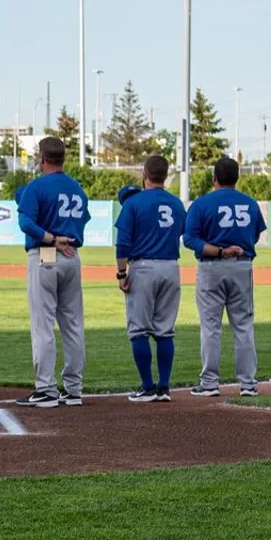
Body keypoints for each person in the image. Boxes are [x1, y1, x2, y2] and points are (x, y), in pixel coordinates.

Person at [13, 136, 87, 408]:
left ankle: (45, 389)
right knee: (73, 324)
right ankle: (74, 389)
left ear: (42, 158)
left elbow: (25, 223)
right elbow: (83, 221)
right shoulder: (77, 188)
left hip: (47, 251)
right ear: (63, 158)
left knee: (43, 324)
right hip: (72, 254)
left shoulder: (38, 186)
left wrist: (51, 238)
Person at [182, 155, 264, 397]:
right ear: (237, 178)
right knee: (243, 326)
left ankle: (209, 383)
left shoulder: (202, 203)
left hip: (211, 266)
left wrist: (220, 250)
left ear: (214, 178)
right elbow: (255, 235)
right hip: (241, 266)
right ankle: (248, 383)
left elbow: (189, 240)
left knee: (210, 327)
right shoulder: (250, 203)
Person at [114, 153, 185, 402]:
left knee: (139, 331)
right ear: (165, 177)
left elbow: (122, 243)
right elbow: (182, 233)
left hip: (143, 267)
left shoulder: (133, 204)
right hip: (171, 267)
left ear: (144, 175)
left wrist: (122, 273)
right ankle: (164, 387)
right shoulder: (176, 203)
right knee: (165, 331)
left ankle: (147, 386)